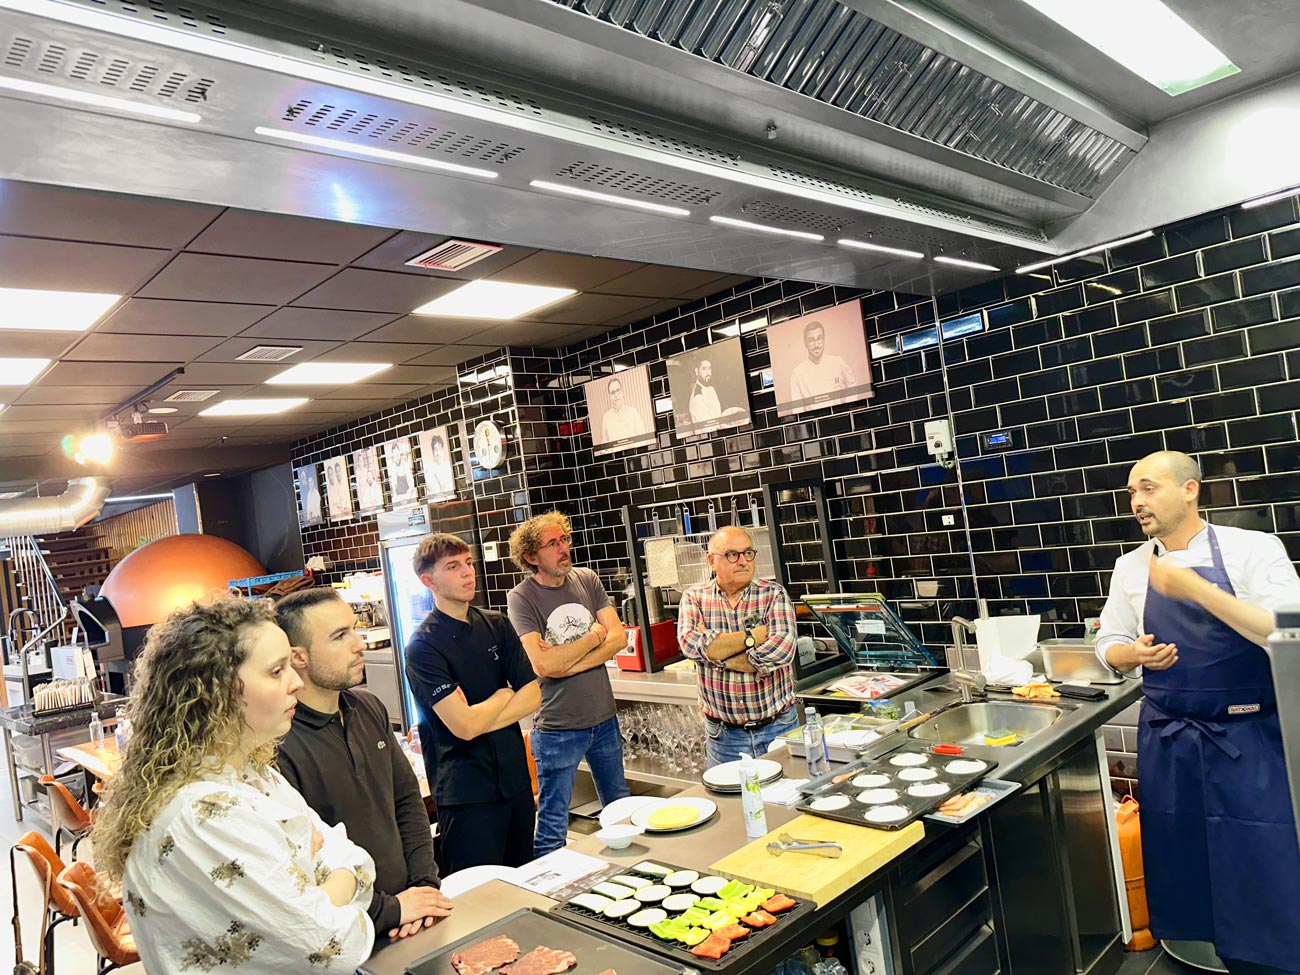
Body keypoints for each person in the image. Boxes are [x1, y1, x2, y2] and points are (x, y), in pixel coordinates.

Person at [90, 596, 375, 973]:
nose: (295, 682)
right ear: (217, 691)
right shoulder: (203, 815)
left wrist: (317, 887)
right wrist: (333, 879)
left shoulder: (253, 775)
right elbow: (331, 946)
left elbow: (358, 861)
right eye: (276, 671)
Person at [1095, 450, 1300, 975]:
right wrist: (1130, 655)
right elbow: (1110, 642)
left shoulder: (1253, 548)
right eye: (1132, 493)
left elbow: (1286, 630)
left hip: (1248, 736)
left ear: (1190, 489)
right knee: (1188, 868)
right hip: (1169, 741)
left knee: (1263, 867)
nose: (1137, 502)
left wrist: (1194, 589)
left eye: (1148, 488)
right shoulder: (1130, 567)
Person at [275, 588, 451, 942]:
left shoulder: (369, 707)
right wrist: (390, 910)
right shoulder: (278, 742)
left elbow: (406, 801)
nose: (359, 644)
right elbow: (298, 867)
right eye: (340, 636)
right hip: (345, 932)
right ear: (298, 657)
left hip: (413, 910)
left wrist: (424, 886)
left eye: (354, 629)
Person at [403, 533, 541, 874]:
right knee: (478, 895)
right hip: (466, 791)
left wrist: (478, 717)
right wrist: (502, 695)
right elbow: (462, 727)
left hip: (514, 780)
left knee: (524, 881)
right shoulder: (423, 646)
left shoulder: (496, 624)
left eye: (468, 563)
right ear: (428, 581)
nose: (468, 573)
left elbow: (534, 694)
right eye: (453, 567)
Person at [506, 512, 630, 857]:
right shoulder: (522, 597)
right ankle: (549, 901)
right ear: (531, 556)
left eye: (565, 540)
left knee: (621, 813)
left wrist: (566, 662)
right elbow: (543, 665)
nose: (564, 548)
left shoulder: (586, 580)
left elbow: (618, 638)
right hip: (557, 728)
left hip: (604, 719)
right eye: (553, 543)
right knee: (551, 829)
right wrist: (593, 638)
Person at [677, 526, 799, 767]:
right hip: (724, 737)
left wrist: (716, 654)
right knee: (733, 803)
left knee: (788, 802)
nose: (743, 561)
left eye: (748, 553)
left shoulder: (773, 595)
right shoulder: (694, 598)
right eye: (732, 554)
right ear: (712, 561)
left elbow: (781, 651)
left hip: (778, 728)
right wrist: (753, 637)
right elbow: (691, 646)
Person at [788, 319, 855, 403]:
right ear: (805, 343)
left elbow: (852, 386)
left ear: (824, 340)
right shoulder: (797, 374)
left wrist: (847, 406)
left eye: (819, 339)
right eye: (811, 340)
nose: (816, 345)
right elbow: (797, 408)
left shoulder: (837, 362)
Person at [599, 377, 647, 444]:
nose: (616, 395)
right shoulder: (606, 418)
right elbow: (603, 442)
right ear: (609, 396)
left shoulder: (633, 413)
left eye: (618, 390)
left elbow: (643, 440)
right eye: (613, 392)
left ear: (622, 391)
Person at [688, 359, 722, 424]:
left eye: (709, 368)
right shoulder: (698, 397)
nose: (708, 373)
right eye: (704, 369)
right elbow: (708, 427)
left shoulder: (710, 388)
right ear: (697, 372)